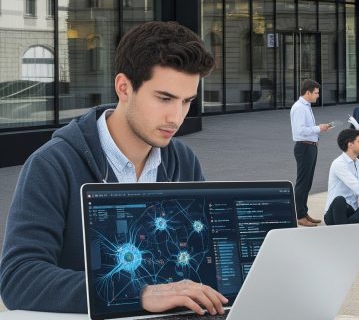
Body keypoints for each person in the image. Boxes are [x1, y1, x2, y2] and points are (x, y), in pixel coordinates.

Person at [0, 21, 226, 316]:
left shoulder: (183, 161)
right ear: (124, 88)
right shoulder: (53, 165)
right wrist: (137, 293)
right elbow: (20, 278)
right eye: (164, 98)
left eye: (187, 102)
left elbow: (202, 256)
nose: (176, 117)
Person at [291, 79, 331, 227]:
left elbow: (306, 128)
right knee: (302, 183)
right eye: (316, 93)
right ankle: (299, 215)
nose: (318, 95)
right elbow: (300, 130)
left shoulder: (306, 106)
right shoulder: (299, 108)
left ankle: (304, 212)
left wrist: (319, 128)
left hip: (310, 146)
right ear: (308, 92)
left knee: (307, 183)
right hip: (304, 147)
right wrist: (318, 128)